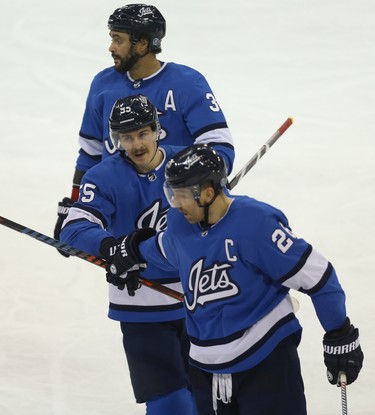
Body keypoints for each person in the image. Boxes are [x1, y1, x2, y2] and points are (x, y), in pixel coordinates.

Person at [104, 144, 364, 415]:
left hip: (265, 364)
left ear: (206, 193)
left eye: (181, 194)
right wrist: (130, 252)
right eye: (172, 194)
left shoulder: (256, 223)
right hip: (206, 373)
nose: (175, 203)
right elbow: (162, 249)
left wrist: (338, 333)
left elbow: (317, 275)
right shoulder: (180, 225)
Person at [60, 95, 234, 414]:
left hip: (198, 301)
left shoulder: (185, 166)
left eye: (142, 133)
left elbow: (227, 224)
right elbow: (72, 228)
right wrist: (110, 247)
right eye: (127, 137)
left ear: (157, 130)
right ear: (116, 140)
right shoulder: (103, 177)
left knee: (210, 401)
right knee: (171, 405)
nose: (137, 144)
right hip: (142, 308)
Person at [54, 3, 234, 248]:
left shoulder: (186, 83)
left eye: (118, 40)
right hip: (124, 215)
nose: (111, 47)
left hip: (179, 216)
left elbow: (219, 147)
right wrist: (77, 206)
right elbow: (90, 153)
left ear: (142, 44)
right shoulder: (103, 85)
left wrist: (207, 183)